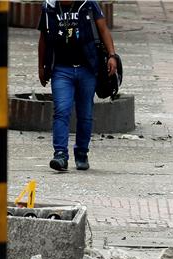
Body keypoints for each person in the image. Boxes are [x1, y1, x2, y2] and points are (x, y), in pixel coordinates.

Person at [38, 0, 117, 172]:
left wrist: (112, 55)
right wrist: (41, 66)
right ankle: (60, 154)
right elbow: (44, 37)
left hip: (87, 69)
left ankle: (81, 152)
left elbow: (103, 29)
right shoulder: (49, 7)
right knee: (61, 110)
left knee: (85, 114)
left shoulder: (89, 5)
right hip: (61, 70)